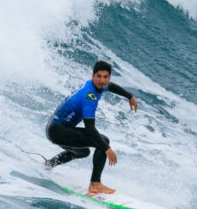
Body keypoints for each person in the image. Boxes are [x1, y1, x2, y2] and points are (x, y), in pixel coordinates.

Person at [45, 60, 138, 196]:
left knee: (83, 152)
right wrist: (107, 149)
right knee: (103, 141)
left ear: (109, 77)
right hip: (58, 131)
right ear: (93, 76)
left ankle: (49, 164)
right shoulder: (89, 97)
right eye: (99, 76)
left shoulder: (96, 85)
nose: (102, 80)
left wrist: (129, 96)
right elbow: (90, 129)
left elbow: (111, 87)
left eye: (105, 77)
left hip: (54, 129)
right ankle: (95, 184)